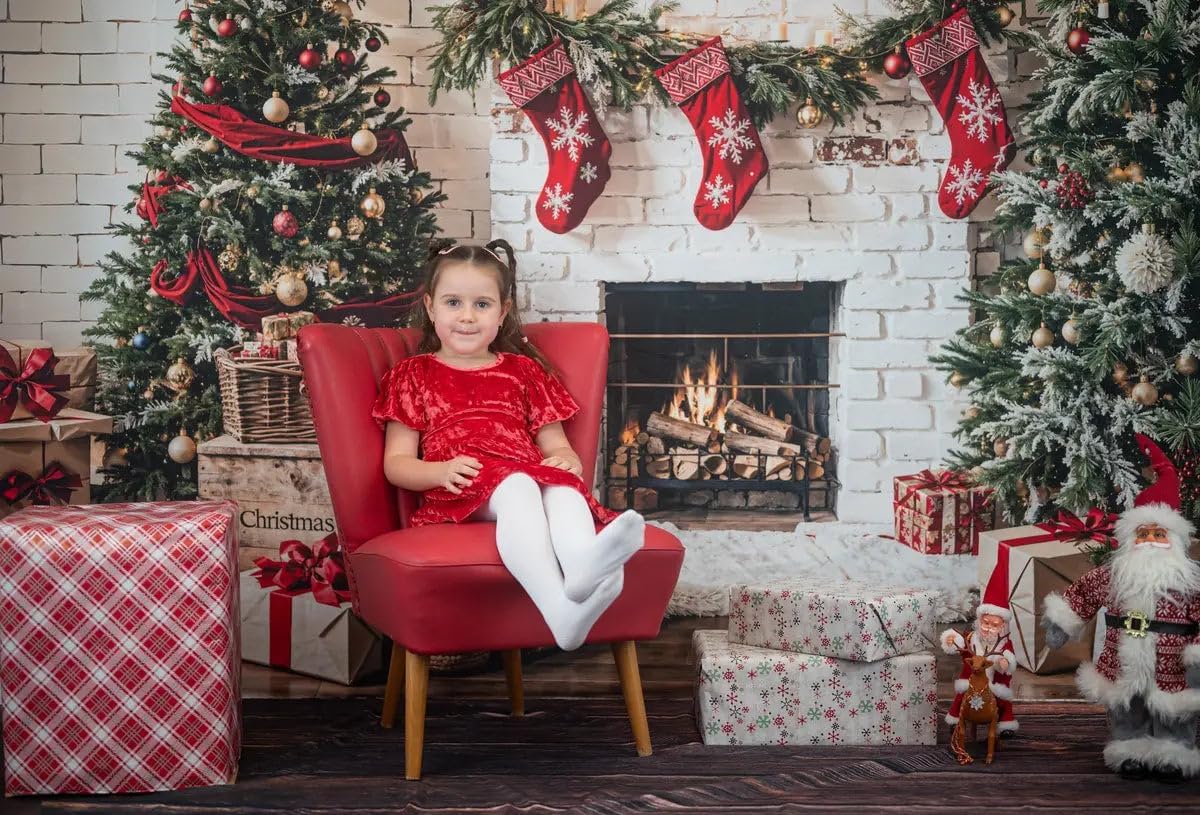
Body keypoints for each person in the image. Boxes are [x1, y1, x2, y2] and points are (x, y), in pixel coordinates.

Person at [374, 239, 645, 652]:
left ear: (502, 313)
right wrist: (440, 472)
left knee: (563, 487)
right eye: (453, 303)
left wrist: (566, 460)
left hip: (524, 470)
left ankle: (581, 565)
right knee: (519, 487)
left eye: (482, 305)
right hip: (463, 487)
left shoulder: (524, 371)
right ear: (430, 308)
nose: (467, 316)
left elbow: (555, 442)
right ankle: (559, 610)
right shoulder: (413, 374)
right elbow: (396, 463)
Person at [1042, 434, 1200, 782]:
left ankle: (1173, 754)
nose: (1149, 541)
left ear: (1175, 541)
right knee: (1127, 709)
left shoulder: (1191, 583)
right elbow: (1082, 594)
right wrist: (1063, 623)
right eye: (1142, 535)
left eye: (1159, 535)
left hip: (1172, 664)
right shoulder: (1112, 575)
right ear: (1130, 540)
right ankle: (1129, 750)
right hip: (1122, 660)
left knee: (1172, 712)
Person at [940, 560, 1019, 736]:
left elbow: (1008, 656)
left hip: (995, 683)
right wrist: (953, 640)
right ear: (979, 620)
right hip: (971, 680)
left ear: (1003, 625)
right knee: (961, 697)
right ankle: (955, 719)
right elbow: (962, 642)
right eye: (985, 622)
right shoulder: (973, 637)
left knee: (1003, 701)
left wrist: (1005, 662)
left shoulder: (1004, 642)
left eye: (994, 624)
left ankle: (1005, 723)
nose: (988, 627)